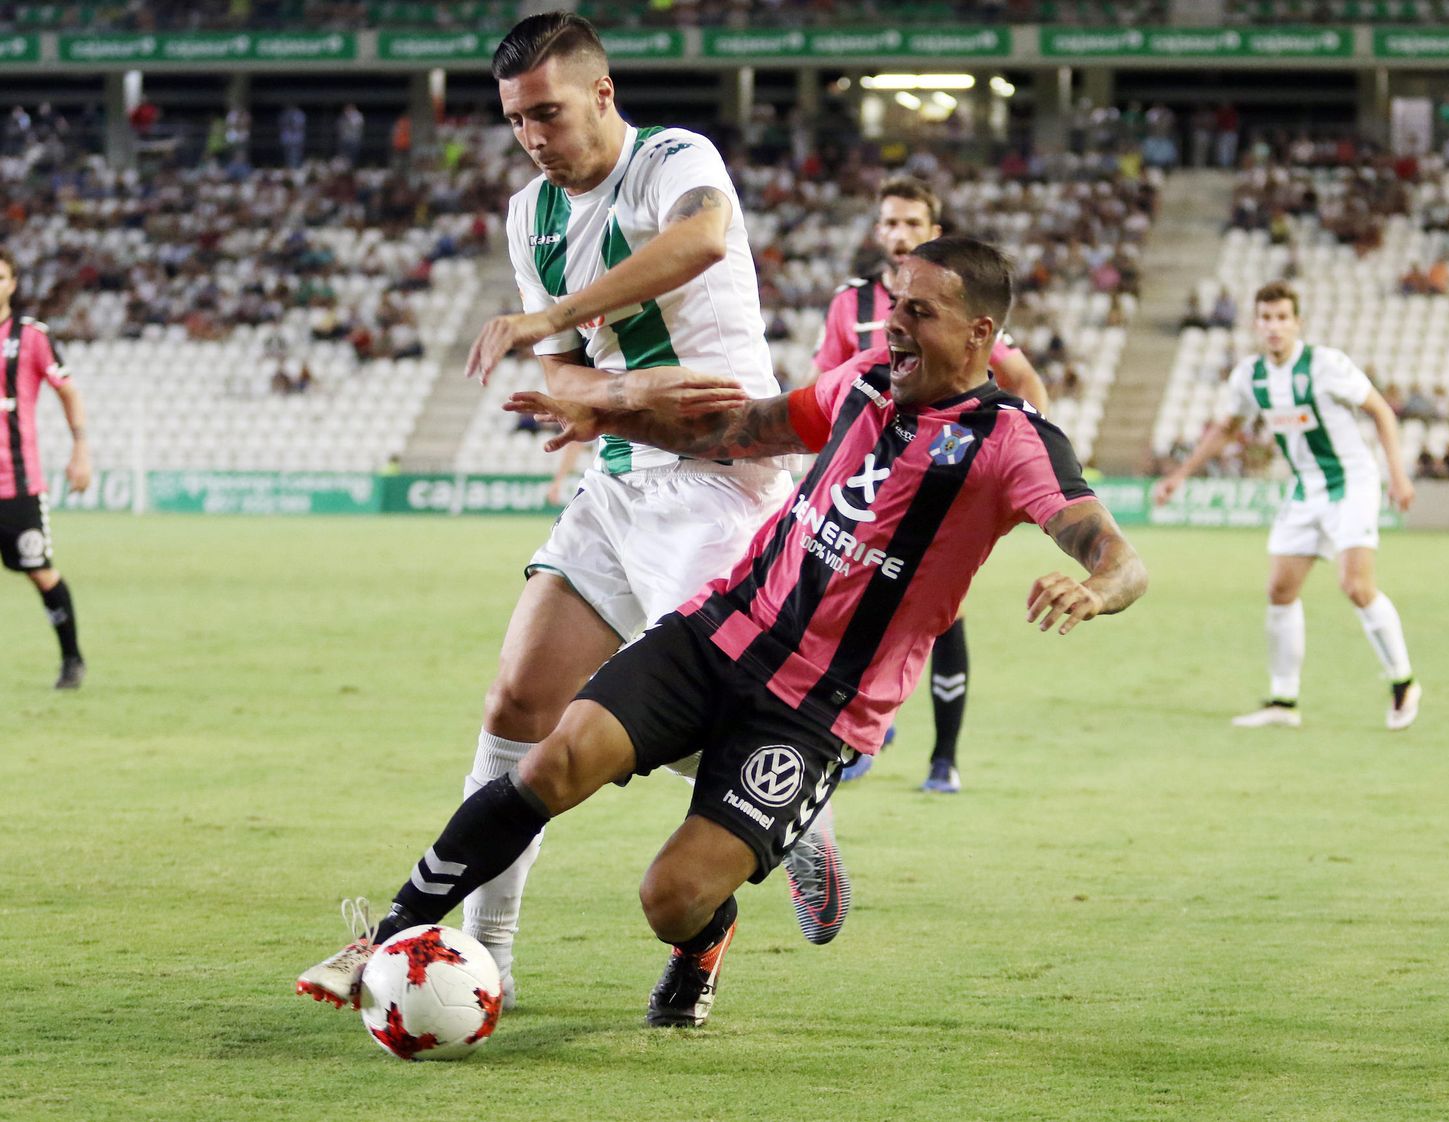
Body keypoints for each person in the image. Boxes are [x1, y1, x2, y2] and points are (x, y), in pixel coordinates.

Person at [296, 235, 1149, 1029]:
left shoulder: (1012, 443)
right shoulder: (859, 382)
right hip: (714, 637)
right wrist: (612, 420)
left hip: (813, 715)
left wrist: (1098, 588)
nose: (895, 325)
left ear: (980, 332)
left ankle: (702, 944)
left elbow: (1113, 551)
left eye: (920, 312)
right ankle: (388, 933)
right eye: (895, 306)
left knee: (669, 897)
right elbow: (741, 430)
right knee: (553, 759)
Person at [430, 13, 852, 1003]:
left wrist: (557, 323)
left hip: (722, 477)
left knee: (691, 729)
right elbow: (568, 379)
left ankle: (790, 807)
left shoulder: (672, 159)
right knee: (517, 709)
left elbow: (702, 239)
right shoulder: (527, 211)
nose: (534, 137)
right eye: (517, 121)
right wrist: (592, 393)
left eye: (549, 113)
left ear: (601, 95)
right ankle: (488, 965)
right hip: (618, 481)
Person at [813, 175, 1051, 794]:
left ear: (934, 235)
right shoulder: (849, 306)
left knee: (946, 613)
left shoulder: (963, 307)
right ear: (876, 232)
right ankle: (857, 729)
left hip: (940, 477)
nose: (900, 235)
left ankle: (943, 758)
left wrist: (1024, 456)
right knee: (846, 601)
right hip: (869, 486)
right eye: (890, 223)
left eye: (913, 225)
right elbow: (828, 398)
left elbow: (1021, 378)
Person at [1153, 281, 1421, 731]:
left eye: (1282, 318)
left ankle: (1403, 681)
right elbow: (1225, 428)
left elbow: (1382, 412)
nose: (1274, 327)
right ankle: (1283, 700)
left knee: (1355, 586)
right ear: (1256, 324)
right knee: (1280, 590)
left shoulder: (1326, 365)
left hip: (1351, 482)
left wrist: (1398, 473)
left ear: (1297, 323)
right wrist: (1180, 475)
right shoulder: (1249, 376)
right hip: (1305, 489)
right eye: (1266, 318)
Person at [0, 250, 91, 689]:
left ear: (13, 283)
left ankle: (71, 659)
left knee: (39, 571)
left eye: (0, 277)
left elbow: (68, 391)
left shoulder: (31, 336)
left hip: (17, 484)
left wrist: (81, 450)